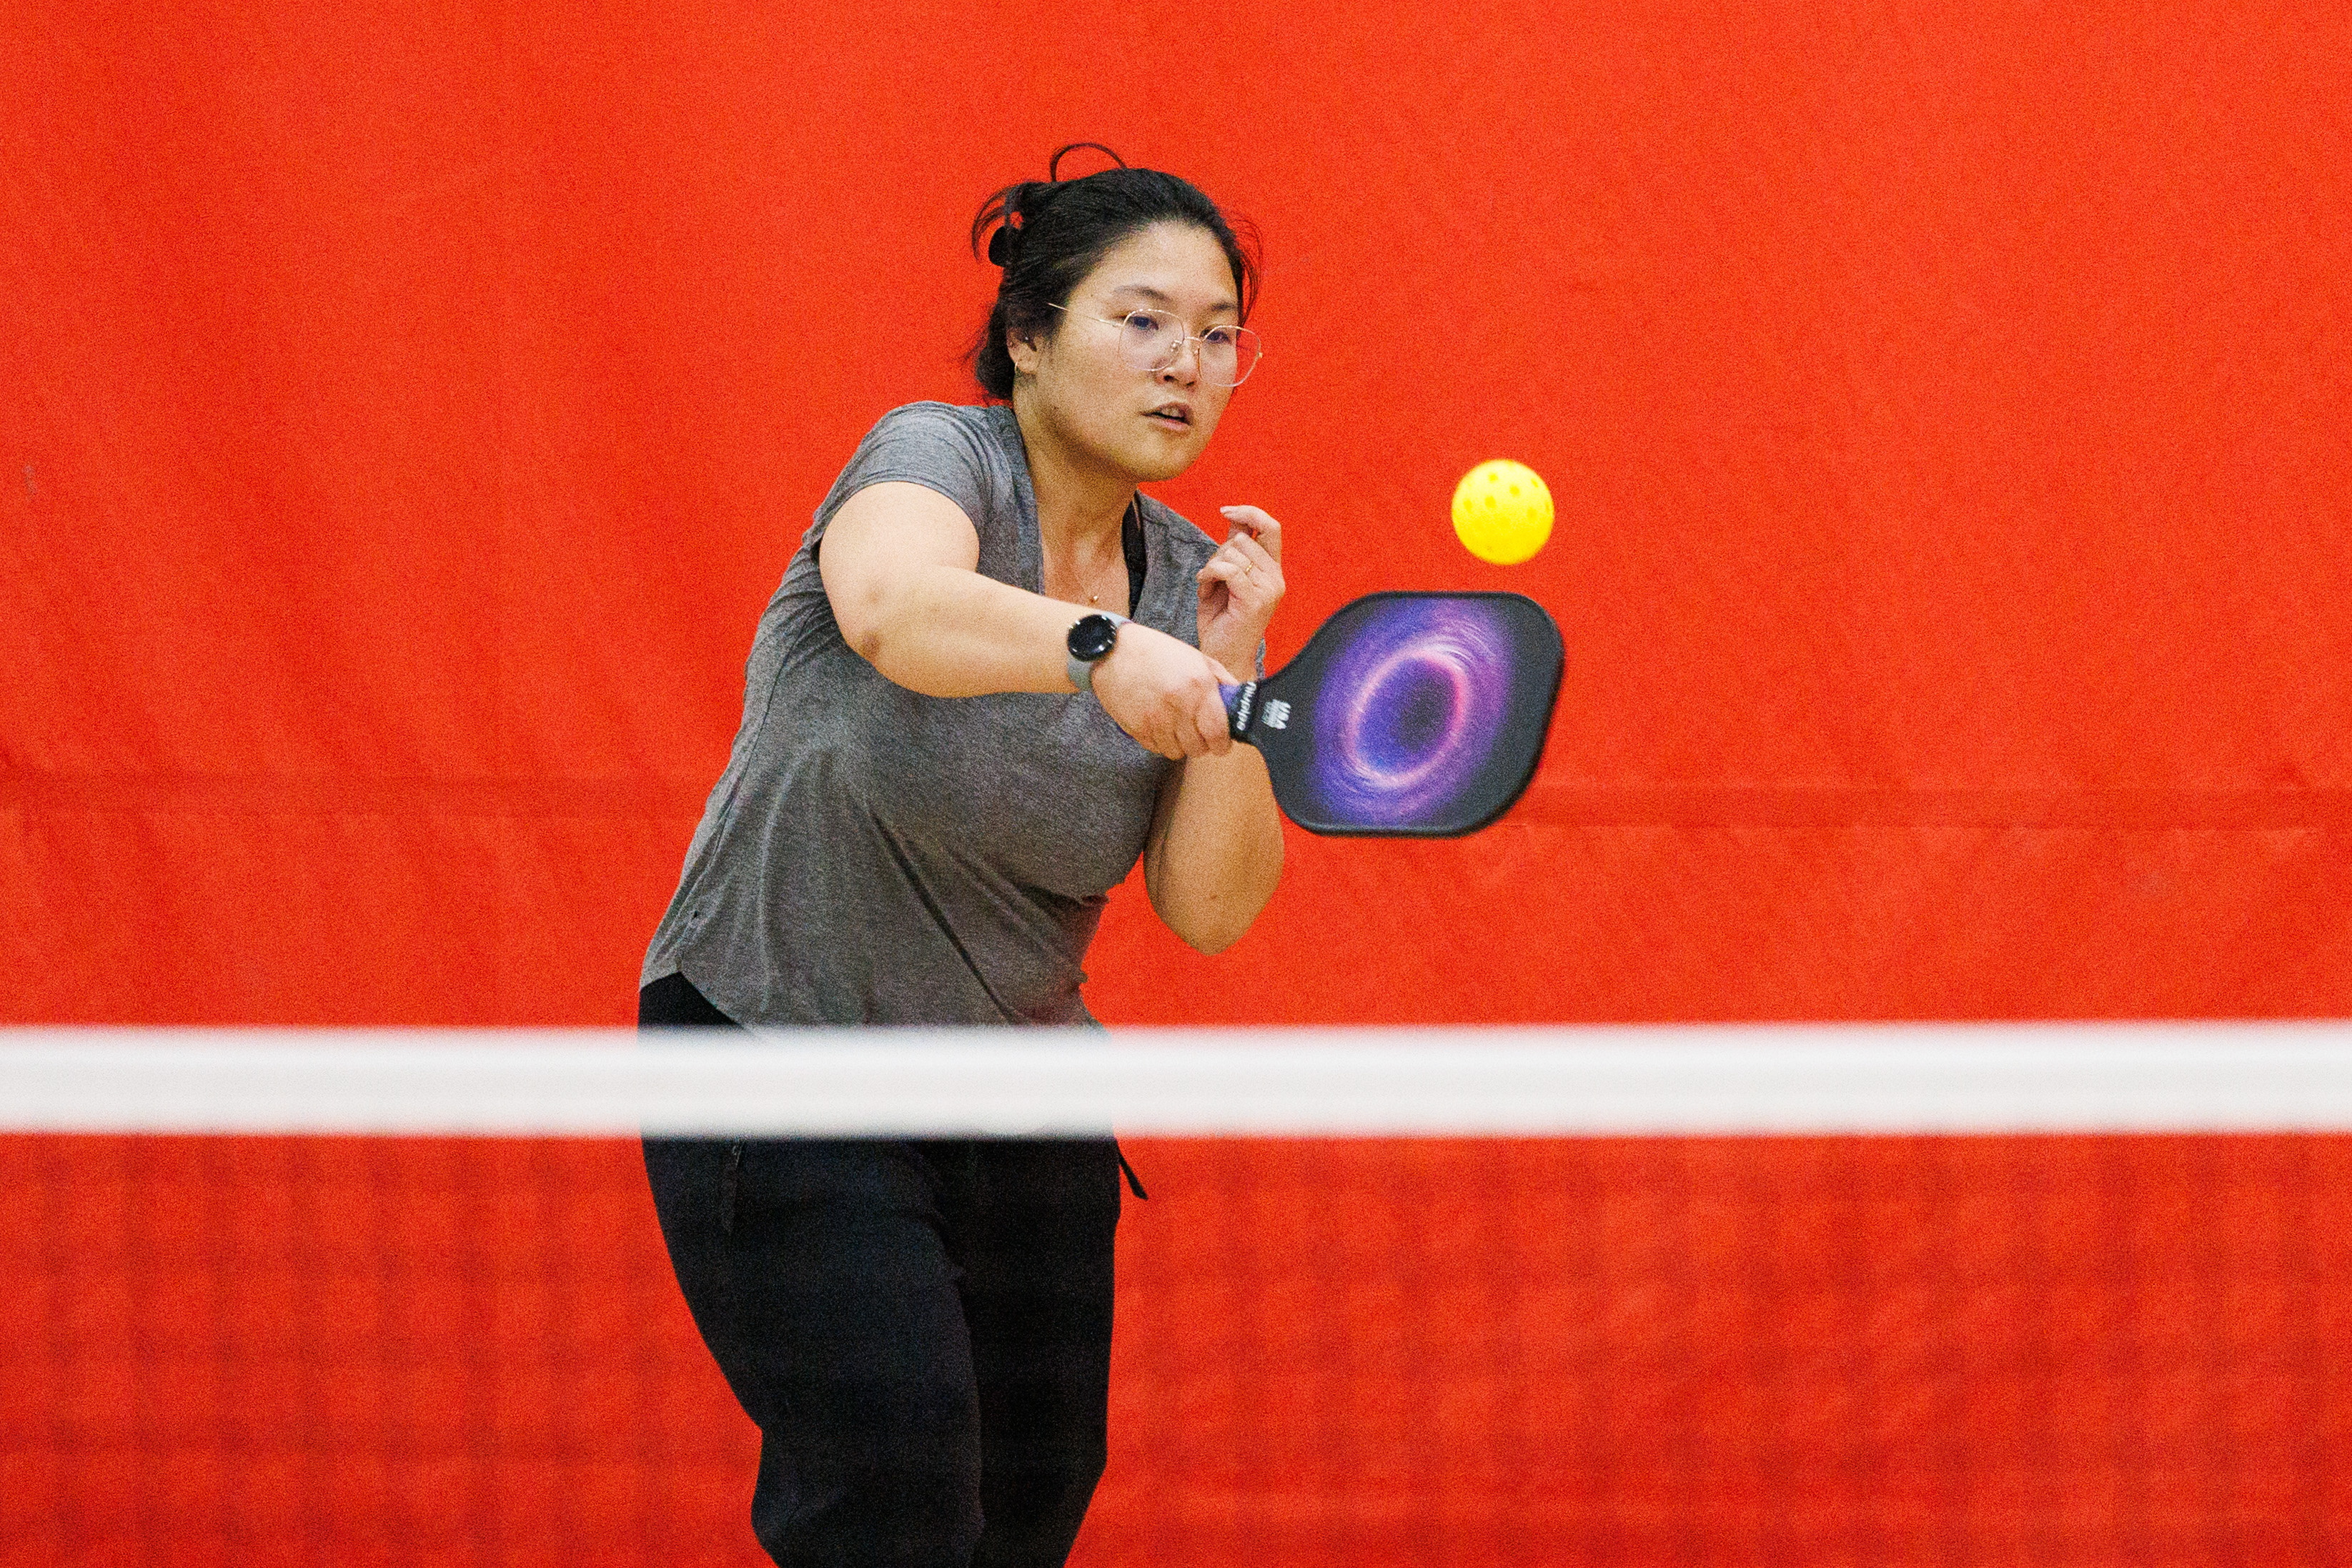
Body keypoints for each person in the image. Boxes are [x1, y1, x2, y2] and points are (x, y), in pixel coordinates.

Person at [635, 144, 1286, 1568]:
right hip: (778, 1052)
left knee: (1027, 1506)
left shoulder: (1193, 577)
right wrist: (1100, 651)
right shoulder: (938, 460)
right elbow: (890, 609)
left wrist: (1227, 687)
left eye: (1219, 331)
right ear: (1027, 339)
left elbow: (1208, 907)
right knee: (895, 1488)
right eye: (1141, 319)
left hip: (1015, 1107)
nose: (1187, 360)